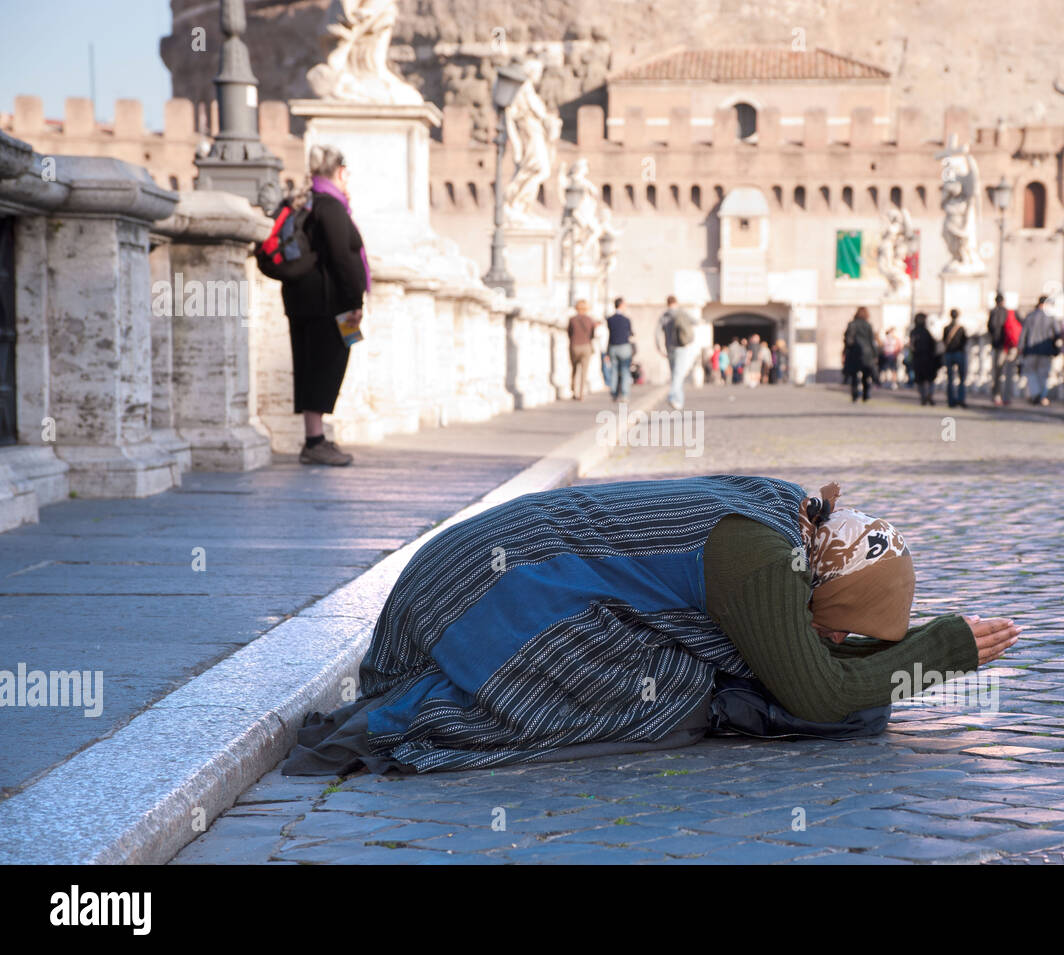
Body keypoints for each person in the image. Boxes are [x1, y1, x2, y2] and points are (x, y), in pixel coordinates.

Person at [283, 476, 1021, 775]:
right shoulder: (767, 567)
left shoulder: (795, 517)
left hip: (468, 570)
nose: (833, 641)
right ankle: (398, 717)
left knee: (727, 671)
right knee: (673, 695)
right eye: (838, 632)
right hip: (495, 588)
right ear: (823, 599)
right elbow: (819, 692)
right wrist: (940, 650)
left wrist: (883, 653)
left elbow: (820, 662)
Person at [281, 144, 369, 467]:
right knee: (324, 367)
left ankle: (314, 438)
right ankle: (314, 441)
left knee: (313, 368)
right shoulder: (330, 207)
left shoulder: (309, 201)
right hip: (328, 305)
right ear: (340, 172)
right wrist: (355, 302)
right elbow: (342, 258)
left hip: (307, 302)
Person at [1018, 295, 1060, 405]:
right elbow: (1058, 333)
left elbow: (1023, 334)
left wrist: (1020, 348)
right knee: (1044, 374)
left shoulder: (1030, 316)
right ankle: (1041, 396)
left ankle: (1035, 393)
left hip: (1031, 350)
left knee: (1030, 373)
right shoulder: (1051, 317)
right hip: (1046, 350)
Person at [657, 295, 695, 410]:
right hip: (681, 347)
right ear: (676, 302)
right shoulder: (682, 313)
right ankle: (673, 396)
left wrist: (660, 348)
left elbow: (657, 332)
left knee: (675, 374)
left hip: (669, 347)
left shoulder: (665, 316)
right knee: (679, 374)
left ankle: (679, 401)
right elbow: (695, 321)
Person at [843, 307, 878, 404]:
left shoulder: (852, 324)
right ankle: (866, 394)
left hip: (854, 352)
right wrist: (875, 355)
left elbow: (847, 339)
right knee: (866, 375)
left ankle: (855, 394)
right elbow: (872, 341)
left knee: (854, 375)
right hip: (867, 353)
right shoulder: (868, 325)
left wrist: (846, 350)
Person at [606, 296, 634, 402]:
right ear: (621, 305)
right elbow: (631, 333)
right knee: (625, 370)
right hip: (624, 347)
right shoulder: (626, 319)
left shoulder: (609, 319)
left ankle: (613, 393)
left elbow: (610, 334)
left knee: (614, 370)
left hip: (613, 347)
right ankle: (625, 394)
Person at [567, 298, 597, 400]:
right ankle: (581, 394)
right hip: (586, 347)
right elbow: (592, 335)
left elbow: (569, 333)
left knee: (574, 369)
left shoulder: (572, 319)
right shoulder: (590, 320)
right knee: (584, 371)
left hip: (574, 346)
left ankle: (573, 390)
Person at [909, 313, 940, 406]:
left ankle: (924, 396)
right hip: (928, 358)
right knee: (929, 379)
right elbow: (934, 344)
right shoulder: (928, 331)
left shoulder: (914, 332)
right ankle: (929, 395)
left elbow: (911, 346)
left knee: (920, 379)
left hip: (918, 358)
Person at [941, 309, 969, 409]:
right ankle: (961, 399)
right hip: (959, 353)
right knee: (962, 378)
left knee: (950, 378)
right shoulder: (961, 329)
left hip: (949, 354)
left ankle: (951, 400)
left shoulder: (946, 328)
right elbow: (965, 341)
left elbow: (944, 340)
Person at [987, 295, 1011, 405]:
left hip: (997, 345)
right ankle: (1006, 396)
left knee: (997, 372)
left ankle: (996, 395)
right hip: (1008, 345)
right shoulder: (1008, 312)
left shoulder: (993, 312)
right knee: (1008, 372)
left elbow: (990, 327)